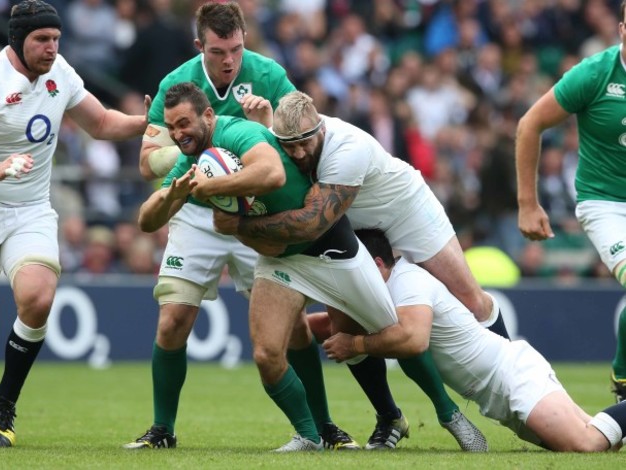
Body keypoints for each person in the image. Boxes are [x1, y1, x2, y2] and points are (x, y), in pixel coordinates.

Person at [127, 1, 396, 451]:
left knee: (291, 329)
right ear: (200, 47)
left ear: (244, 39)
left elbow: (302, 141)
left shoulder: (268, 74)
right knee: (173, 320)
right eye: (218, 52)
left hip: (257, 212)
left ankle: (324, 426)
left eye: (235, 48)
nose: (229, 60)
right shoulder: (176, 85)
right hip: (197, 210)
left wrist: (267, 124)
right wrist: (200, 157)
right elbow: (146, 162)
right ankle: (162, 430)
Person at [213, 90, 503, 450]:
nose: (299, 152)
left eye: (305, 142)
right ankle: (368, 422)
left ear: (319, 127)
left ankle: (506, 370)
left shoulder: (347, 149)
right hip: (346, 229)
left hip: (403, 210)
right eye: (290, 145)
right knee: (348, 323)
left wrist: (239, 225)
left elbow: (309, 224)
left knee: (471, 299)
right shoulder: (274, 143)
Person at [0, 0, 148, 447]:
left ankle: (4, 405)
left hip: (31, 208)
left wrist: (149, 123)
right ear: (17, 40)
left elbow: (104, 123)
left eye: (56, 39)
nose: (52, 48)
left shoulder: (61, 74)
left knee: (37, 296)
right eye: (42, 40)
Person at [323, 228, 626, 452]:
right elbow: (333, 325)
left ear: (377, 264)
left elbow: (412, 341)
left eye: (355, 269)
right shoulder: (390, 291)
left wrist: (354, 345)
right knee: (605, 442)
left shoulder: (407, 281)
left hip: (513, 376)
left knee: (587, 444)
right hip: (500, 399)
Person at [515, 1, 626, 402]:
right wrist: (528, 203)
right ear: (621, 29)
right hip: (605, 204)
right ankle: (625, 383)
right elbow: (531, 124)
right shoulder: (595, 74)